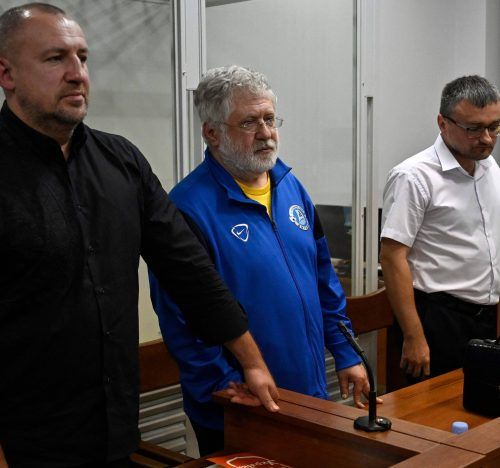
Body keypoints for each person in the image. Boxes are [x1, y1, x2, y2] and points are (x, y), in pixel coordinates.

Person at [0, 4, 279, 467]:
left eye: (82, 58)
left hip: (114, 432)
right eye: (55, 58)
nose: (77, 74)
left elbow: (187, 268)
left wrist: (250, 360)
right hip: (26, 442)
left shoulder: (121, 161)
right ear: (6, 73)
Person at [149, 65, 372, 456]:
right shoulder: (186, 209)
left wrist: (346, 351)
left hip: (308, 395)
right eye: (249, 122)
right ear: (212, 133)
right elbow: (180, 319)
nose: (266, 133)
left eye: (270, 119)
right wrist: (225, 388)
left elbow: (323, 278)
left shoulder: (290, 186)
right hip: (242, 406)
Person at [380, 75, 500, 382]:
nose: (487, 138)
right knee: (429, 409)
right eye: (474, 128)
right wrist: (413, 336)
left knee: (478, 407)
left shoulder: (489, 167)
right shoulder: (414, 176)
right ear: (443, 123)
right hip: (436, 320)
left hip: (485, 318)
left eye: (494, 126)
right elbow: (392, 257)